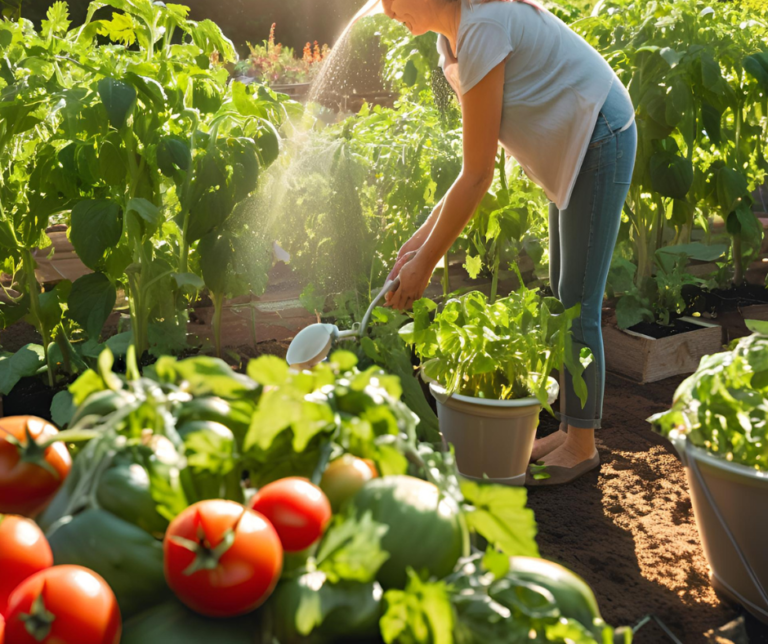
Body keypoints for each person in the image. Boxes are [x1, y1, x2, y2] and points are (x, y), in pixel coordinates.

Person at [380, 0, 637, 485]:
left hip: (598, 135)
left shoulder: (482, 29)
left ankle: (583, 445)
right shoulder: (452, 43)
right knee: (564, 301)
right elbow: (474, 166)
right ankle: (570, 430)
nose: (388, 11)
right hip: (575, 141)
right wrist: (419, 243)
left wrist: (426, 265)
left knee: (578, 304)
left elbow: (478, 176)